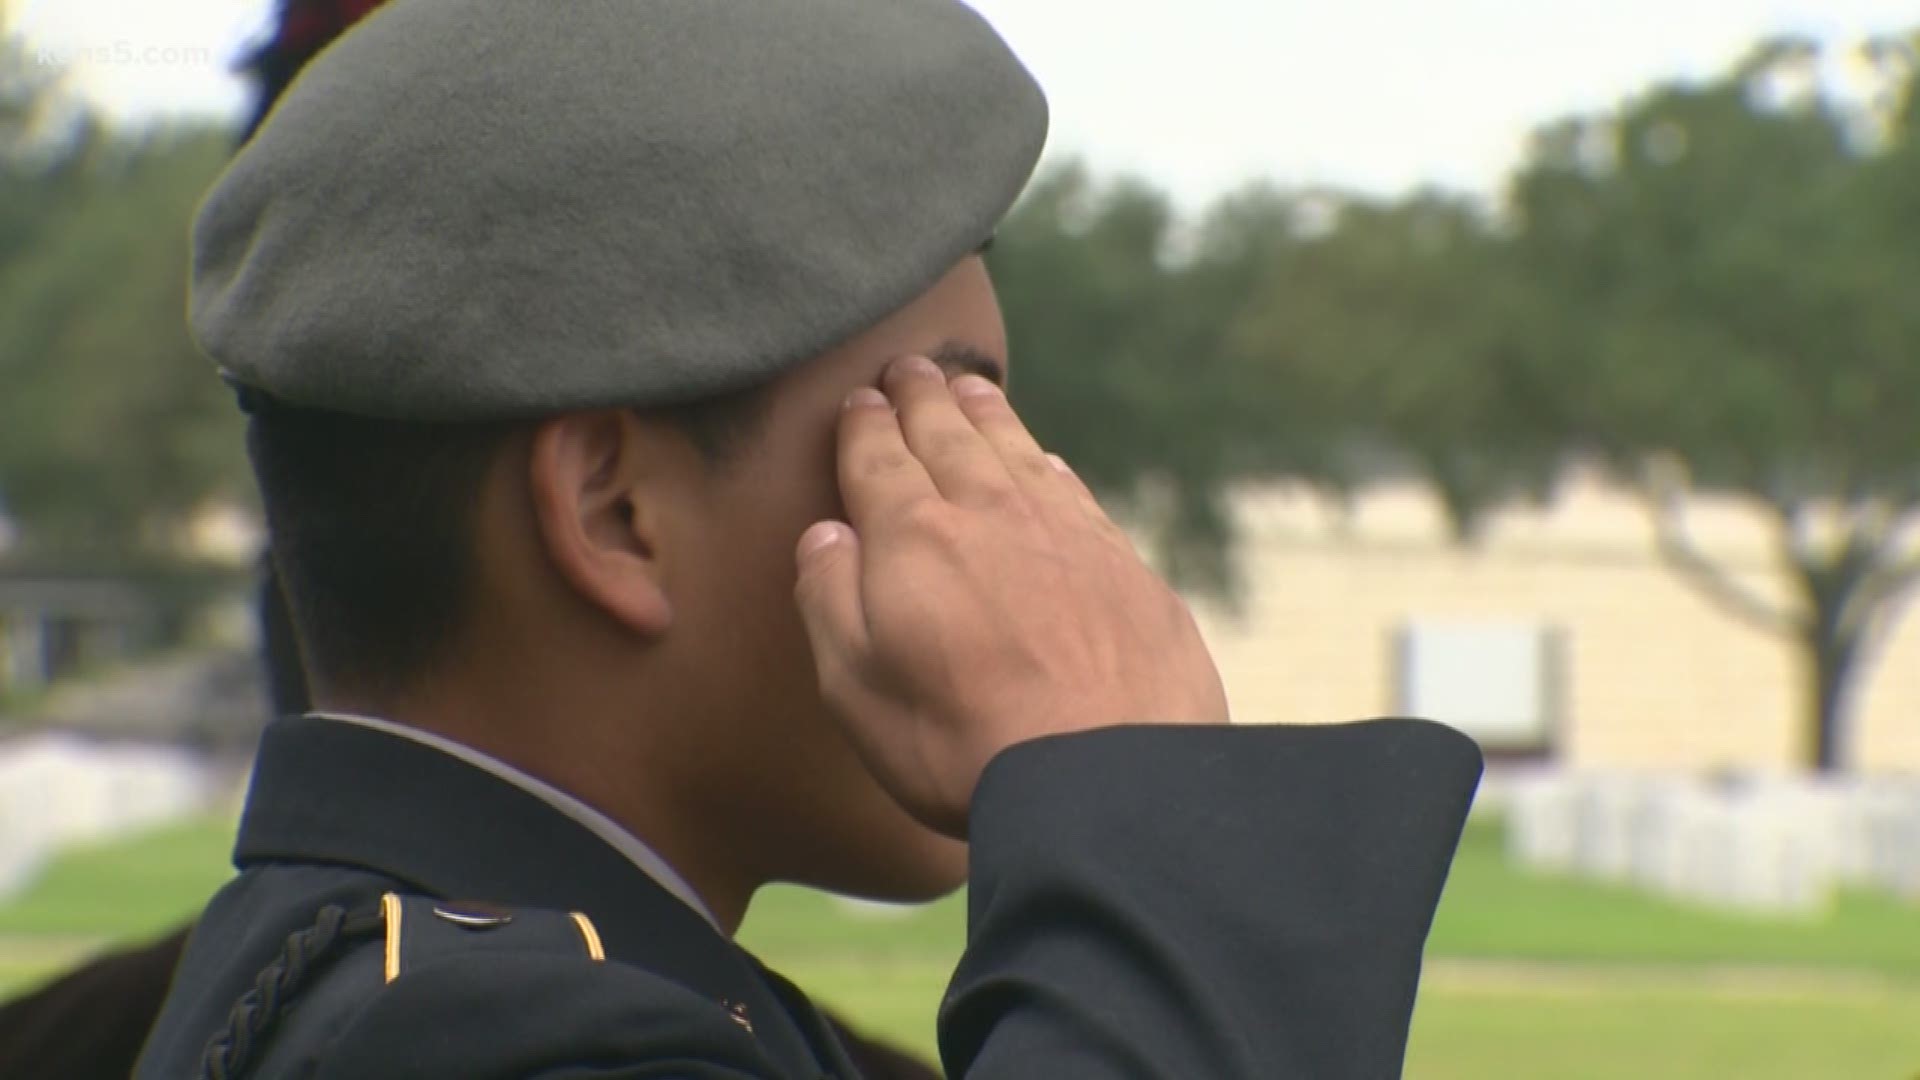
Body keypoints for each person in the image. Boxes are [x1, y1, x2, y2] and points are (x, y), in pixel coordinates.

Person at [134, 1, 1483, 1076]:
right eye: (942, 420)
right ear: (616, 512)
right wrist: (1145, 810)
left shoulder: (367, 967)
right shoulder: (500, 1040)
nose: (1033, 516)